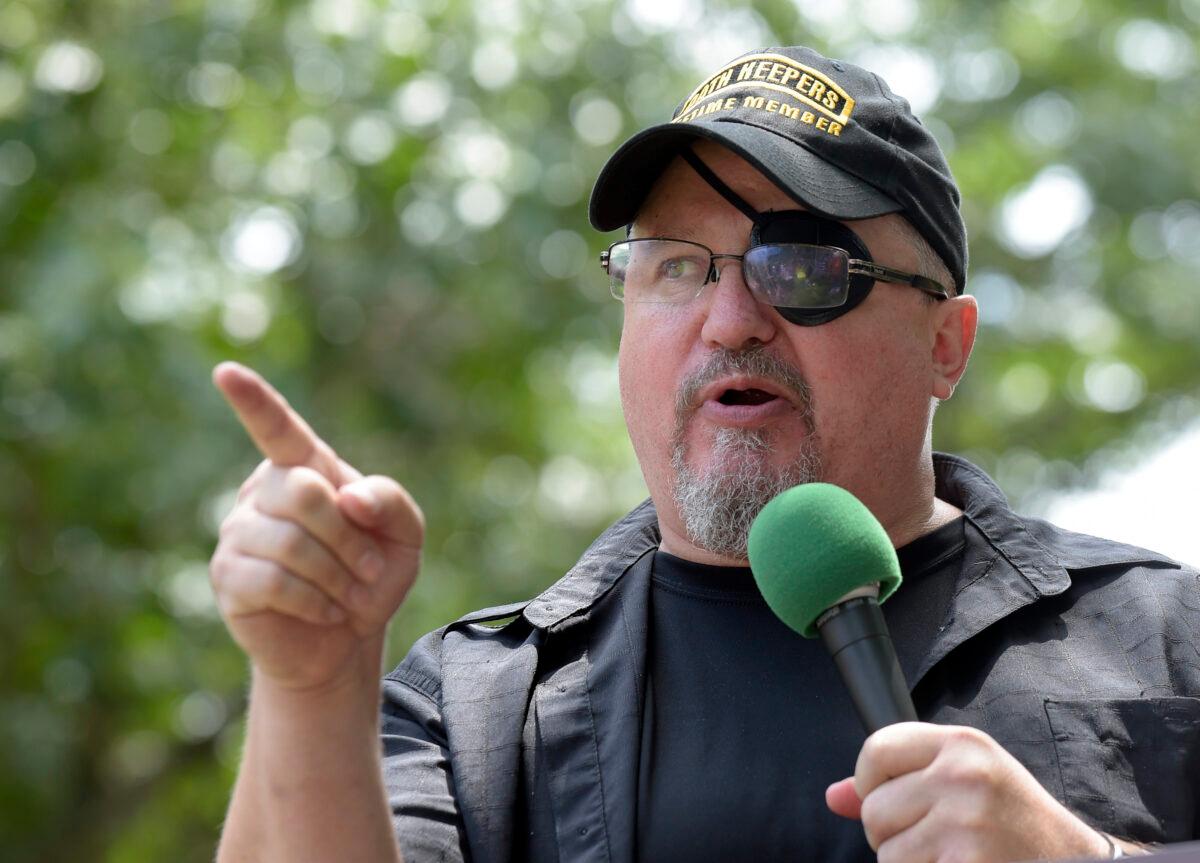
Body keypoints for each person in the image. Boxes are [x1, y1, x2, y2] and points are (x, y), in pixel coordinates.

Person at [209, 46, 1199, 862]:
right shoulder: (477, 709)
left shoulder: (1166, 633)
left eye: (802, 265)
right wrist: (312, 684)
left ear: (947, 344)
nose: (732, 319)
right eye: (677, 266)